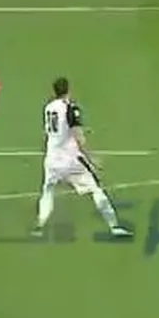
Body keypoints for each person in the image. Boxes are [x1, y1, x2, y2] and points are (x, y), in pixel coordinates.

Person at [32, 77, 131, 239]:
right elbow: (78, 136)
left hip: (52, 159)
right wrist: (92, 159)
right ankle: (114, 226)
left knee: (48, 190)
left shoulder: (49, 108)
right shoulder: (70, 108)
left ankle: (39, 225)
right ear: (68, 89)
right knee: (96, 189)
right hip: (71, 160)